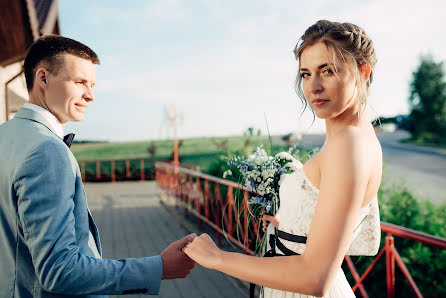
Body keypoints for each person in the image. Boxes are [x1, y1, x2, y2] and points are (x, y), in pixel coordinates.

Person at [183, 20, 382, 298]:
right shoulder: (355, 138)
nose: (313, 86)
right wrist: (289, 225)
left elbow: (316, 278)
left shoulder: (349, 144)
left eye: (328, 70)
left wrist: (217, 258)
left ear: (362, 71)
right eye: (305, 74)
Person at [0, 35, 196, 297]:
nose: (90, 95)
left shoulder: (6, 135)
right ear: (43, 78)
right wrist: (159, 267)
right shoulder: (46, 150)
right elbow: (59, 271)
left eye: (92, 84)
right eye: (80, 82)